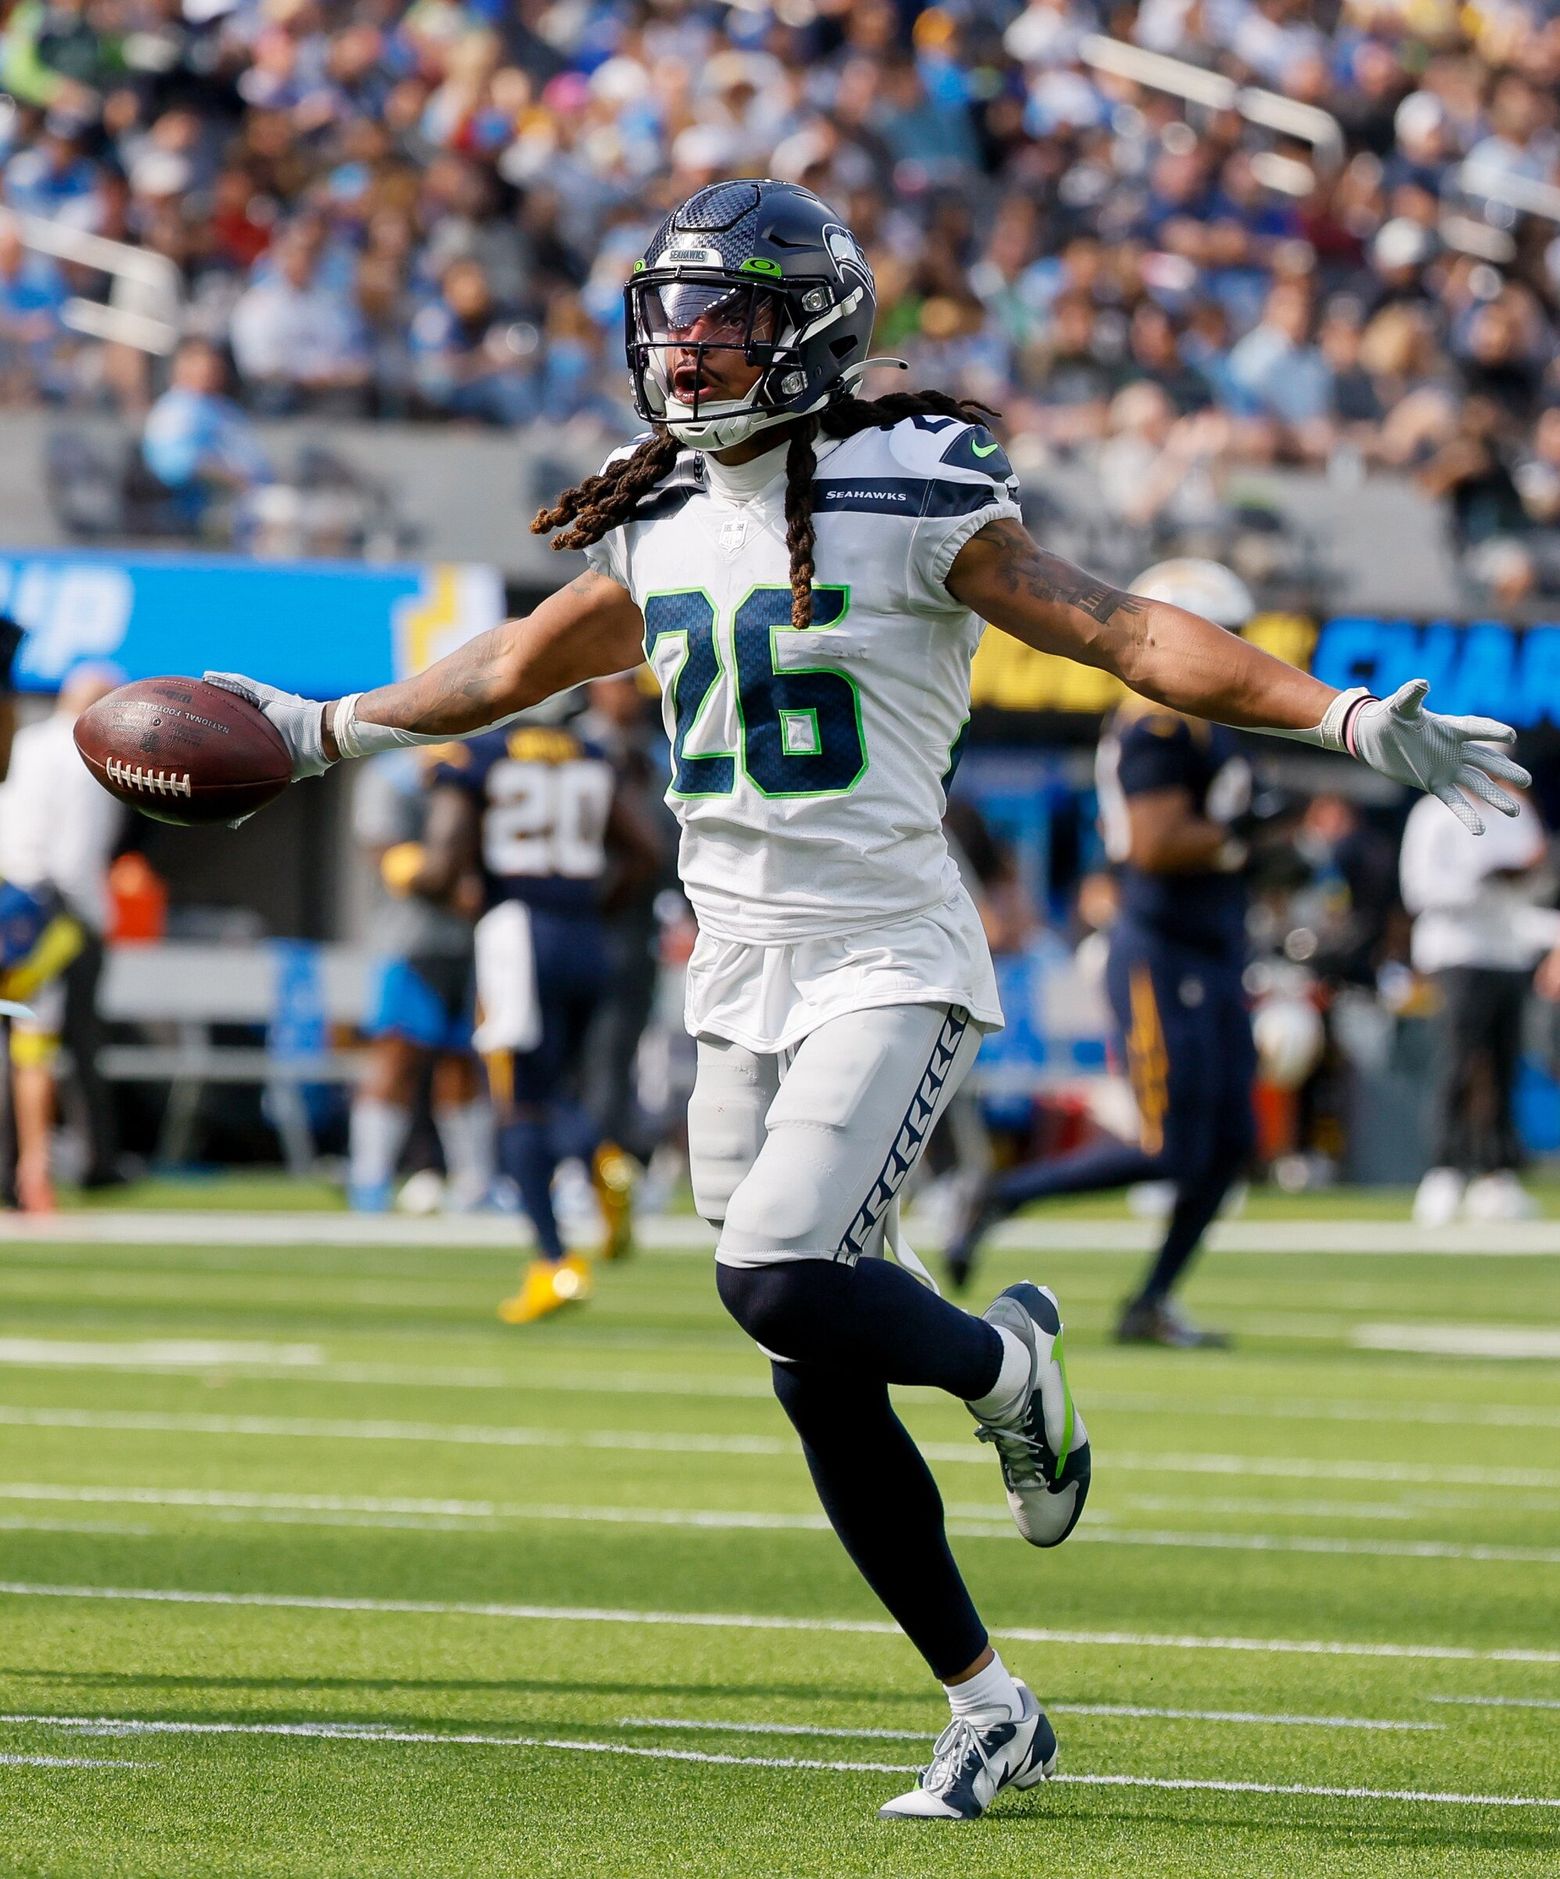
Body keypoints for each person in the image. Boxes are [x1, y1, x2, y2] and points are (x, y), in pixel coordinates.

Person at [206, 181, 1525, 1824]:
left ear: (815, 329)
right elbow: (515, 662)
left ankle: (1005, 1363)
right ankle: (990, 1699)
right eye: (672, 311)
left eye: (729, 313)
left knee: (776, 1269)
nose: (686, 346)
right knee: (804, 1348)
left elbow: (1122, 632)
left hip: (887, 953)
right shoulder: (660, 509)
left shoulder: (918, 494)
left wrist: (1330, 714)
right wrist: (326, 731)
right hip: (737, 971)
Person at [944, 561, 1263, 1347]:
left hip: (1207, 949)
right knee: (1173, 1145)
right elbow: (1156, 841)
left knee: (1228, 1145)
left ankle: (1150, 1300)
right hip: (1164, 952)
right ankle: (1003, 1192)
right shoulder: (1157, 722)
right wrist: (1246, 842)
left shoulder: (1197, 725)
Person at [410, 713, 658, 1322]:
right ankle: (601, 1160)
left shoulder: (483, 754)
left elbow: (441, 867)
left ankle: (554, 1259)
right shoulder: (590, 752)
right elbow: (647, 852)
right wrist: (588, 907)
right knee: (551, 1090)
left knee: (517, 1104)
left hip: (517, 937)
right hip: (584, 937)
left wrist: (412, 878)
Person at [1399, 786, 1558, 1225]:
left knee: (1504, 1065)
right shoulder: (1433, 814)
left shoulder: (1517, 812)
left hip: (1508, 953)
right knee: (1458, 1062)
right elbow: (1419, 890)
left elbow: (1534, 885)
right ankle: (1445, 1171)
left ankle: (1497, 1172)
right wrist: (1481, 882)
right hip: (1456, 952)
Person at [347, 748, 492, 1216]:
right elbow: (392, 860)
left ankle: (474, 1183)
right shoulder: (391, 776)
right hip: (408, 942)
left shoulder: (475, 762)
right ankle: (368, 1179)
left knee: (462, 1061)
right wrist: (458, 893)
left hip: (468, 945)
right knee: (397, 1055)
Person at [0, 660, 123, 1209]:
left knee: (20, 1040)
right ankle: (37, 1173)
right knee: (41, 1044)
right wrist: (95, 921)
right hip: (50, 913)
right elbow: (76, 853)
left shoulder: (26, 742)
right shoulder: (84, 756)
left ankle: (20, 1169)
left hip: (12, 895)